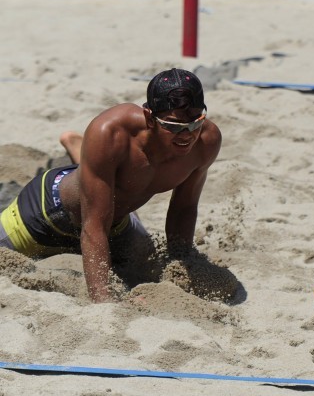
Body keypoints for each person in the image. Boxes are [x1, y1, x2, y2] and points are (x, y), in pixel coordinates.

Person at [0, 68, 221, 303]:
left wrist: (182, 263)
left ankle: (81, 153)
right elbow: (93, 224)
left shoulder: (206, 142)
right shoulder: (110, 132)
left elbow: (184, 208)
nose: (186, 134)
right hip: (46, 214)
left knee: (146, 261)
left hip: (115, 221)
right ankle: (83, 153)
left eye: (195, 122)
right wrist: (104, 304)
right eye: (174, 125)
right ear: (148, 117)